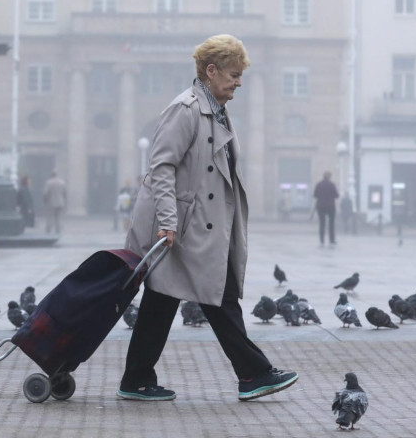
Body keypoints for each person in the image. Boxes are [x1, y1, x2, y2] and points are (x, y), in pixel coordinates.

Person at [118, 34, 298, 402]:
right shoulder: (185, 109)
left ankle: (135, 379)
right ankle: (254, 373)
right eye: (233, 74)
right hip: (183, 228)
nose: (239, 82)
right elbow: (161, 167)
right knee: (218, 296)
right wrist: (168, 221)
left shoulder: (214, 109)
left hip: (200, 227)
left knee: (163, 301)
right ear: (211, 71)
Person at [313, 171, 339, 245]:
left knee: (322, 223)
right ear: (329, 177)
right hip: (330, 206)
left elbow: (315, 195)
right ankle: (331, 240)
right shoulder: (332, 185)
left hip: (320, 206)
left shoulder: (319, 184)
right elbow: (337, 195)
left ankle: (322, 240)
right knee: (331, 224)